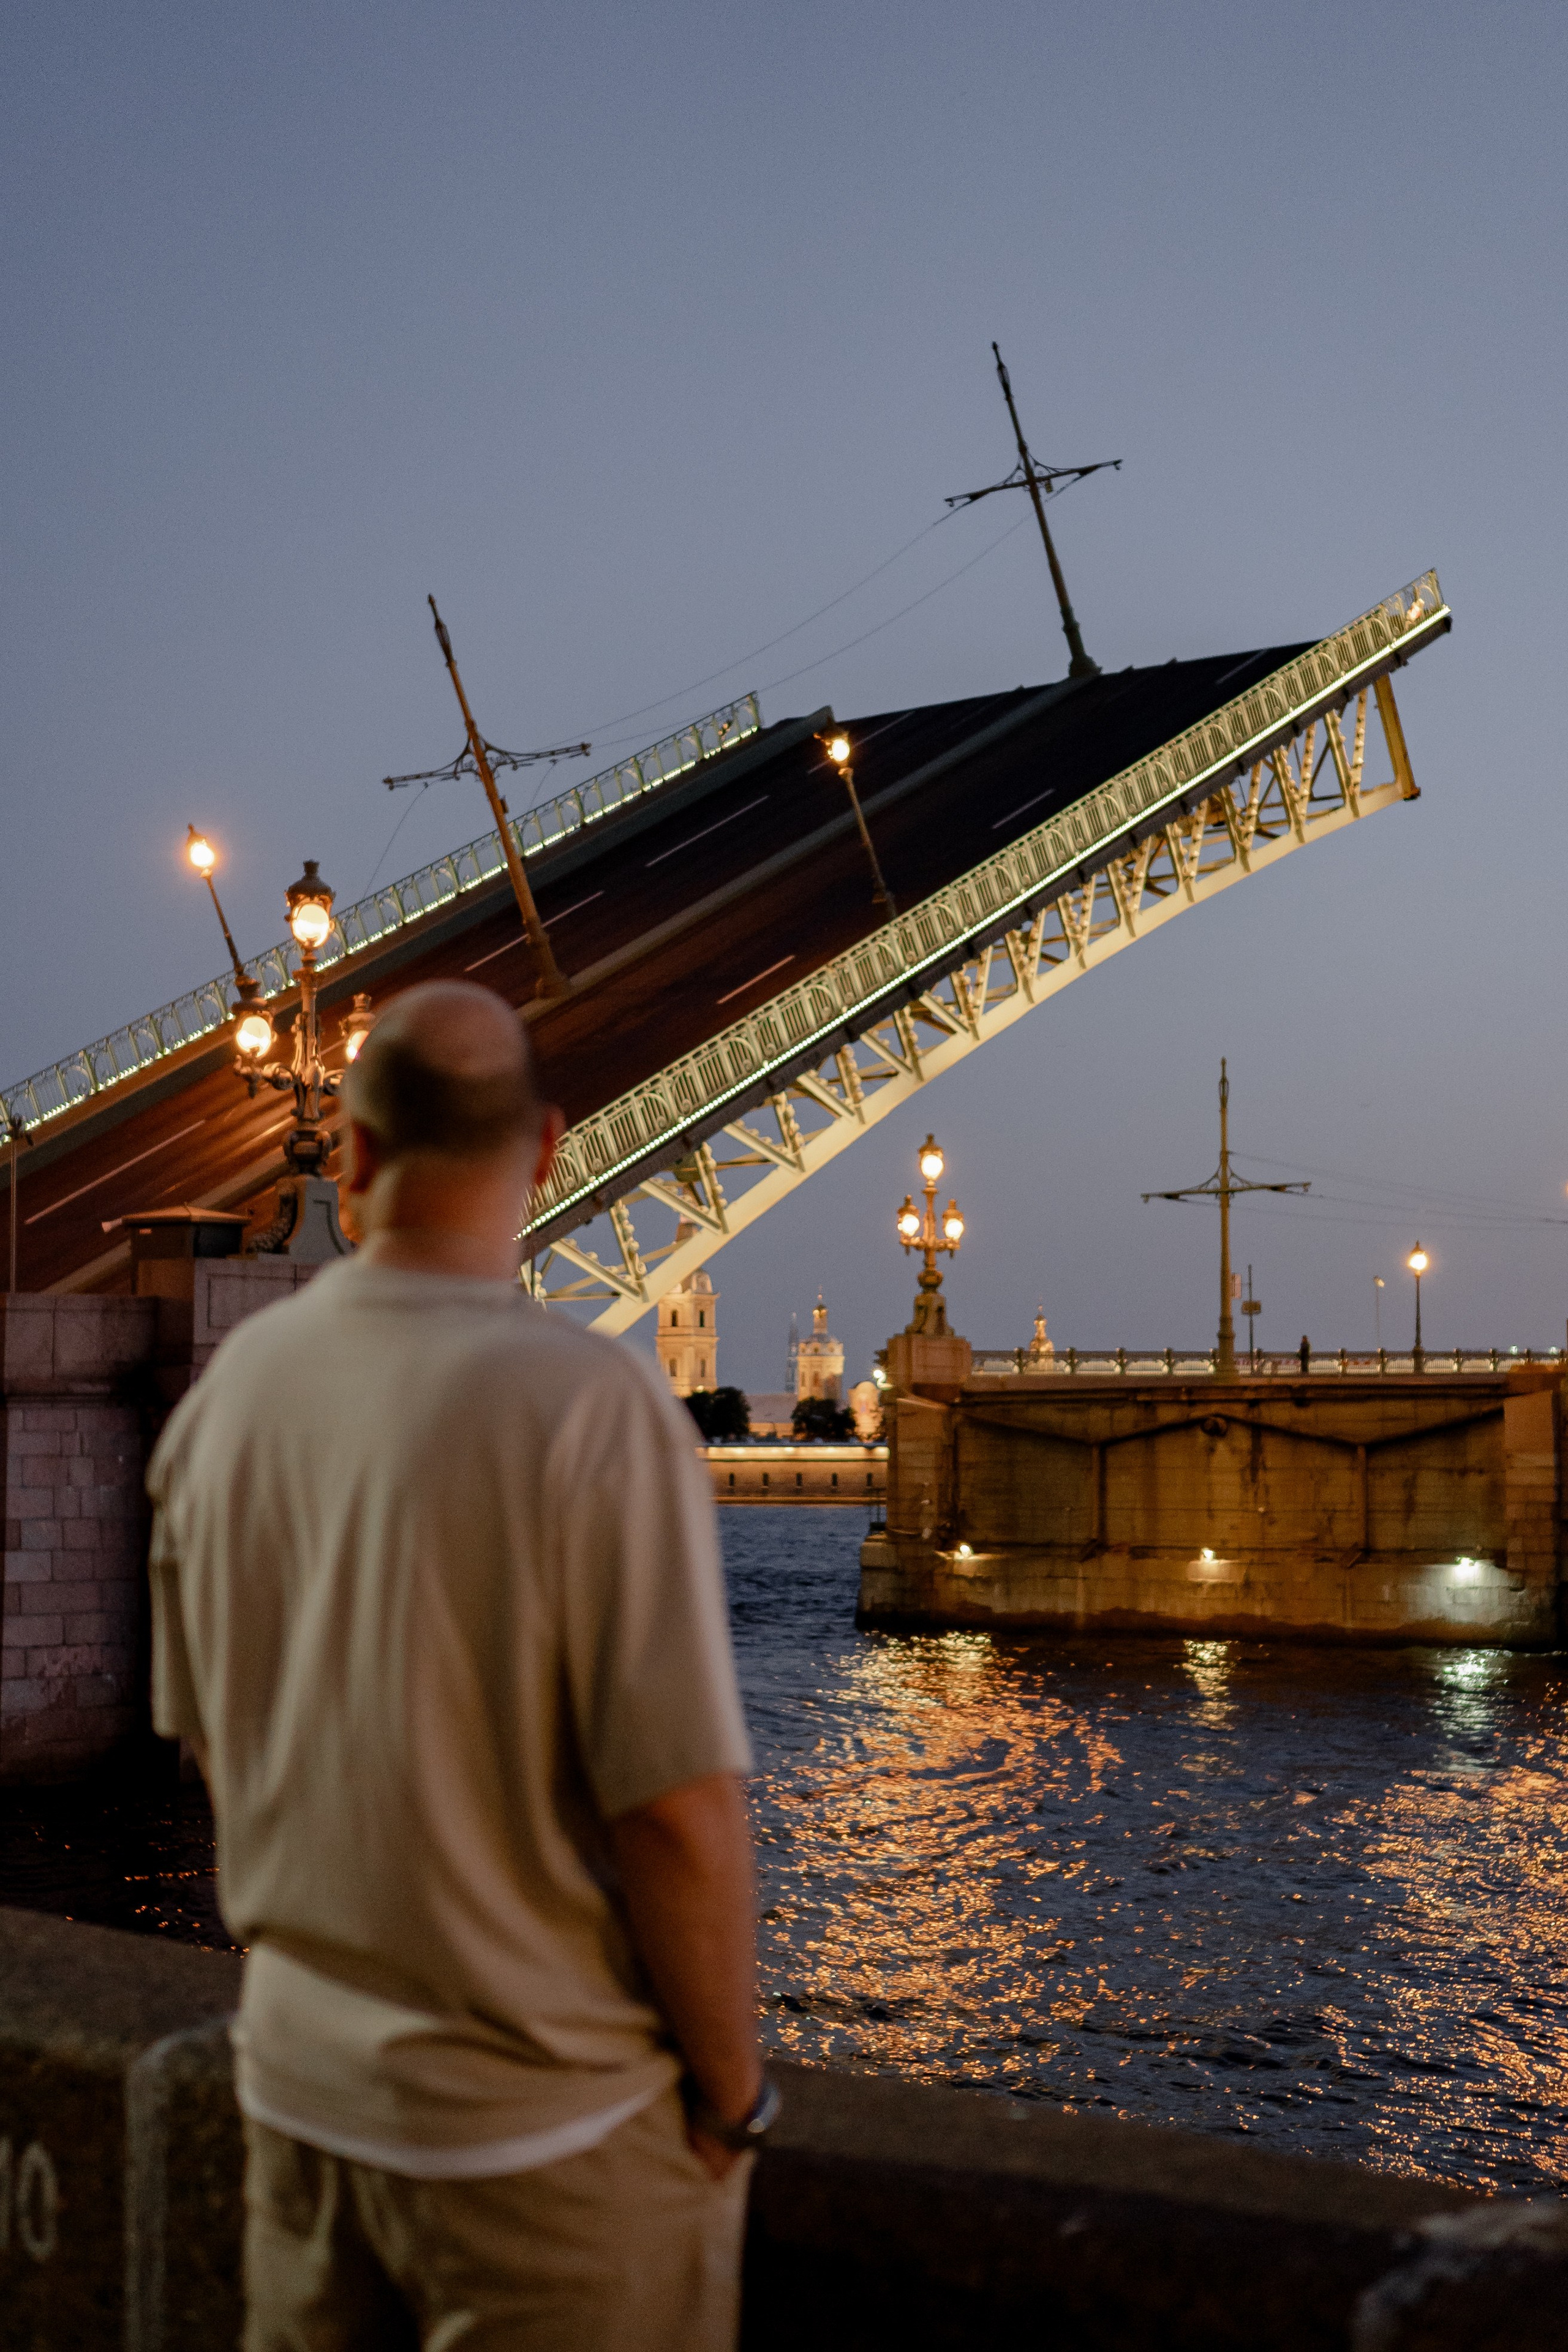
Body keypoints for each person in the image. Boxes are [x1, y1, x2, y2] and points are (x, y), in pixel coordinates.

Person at [147, 979, 772, 2351]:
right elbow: (674, 1811)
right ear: (547, 1150)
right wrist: (730, 2099)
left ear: (355, 1154)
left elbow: (210, 1746)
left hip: (302, 2109)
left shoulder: (229, 1399)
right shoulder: (590, 1408)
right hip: (543, 2145)